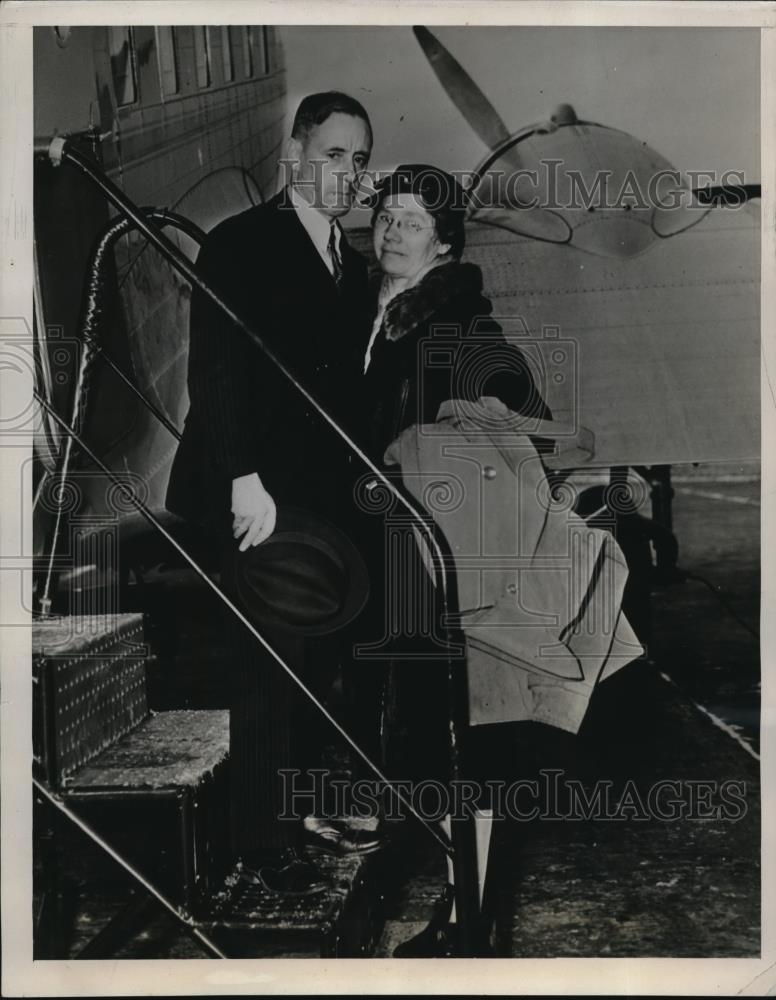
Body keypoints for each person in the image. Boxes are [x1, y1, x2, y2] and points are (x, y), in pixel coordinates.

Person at [166, 92, 384, 897]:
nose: (347, 174)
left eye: (360, 161)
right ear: (294, 154)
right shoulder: (241, 243)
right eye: (333, 154)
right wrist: (240, 476)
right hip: (253, 491)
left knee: (310, 656)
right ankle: (259, 845)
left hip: (315, 500)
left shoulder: (351, 265)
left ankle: (279, 821)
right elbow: (215, 368)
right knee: (267, 667)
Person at [359, 164, 552, 955]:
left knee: (460, 735)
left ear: (444, 239)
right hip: (395, 554)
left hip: (443, 563)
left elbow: (508, 383)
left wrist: (486, 409)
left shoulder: (453, 317)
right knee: (427, 731)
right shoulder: (378, 309)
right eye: (387, 215)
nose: (395, 229)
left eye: (413, 220)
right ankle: (461, 899)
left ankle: (469, 916)